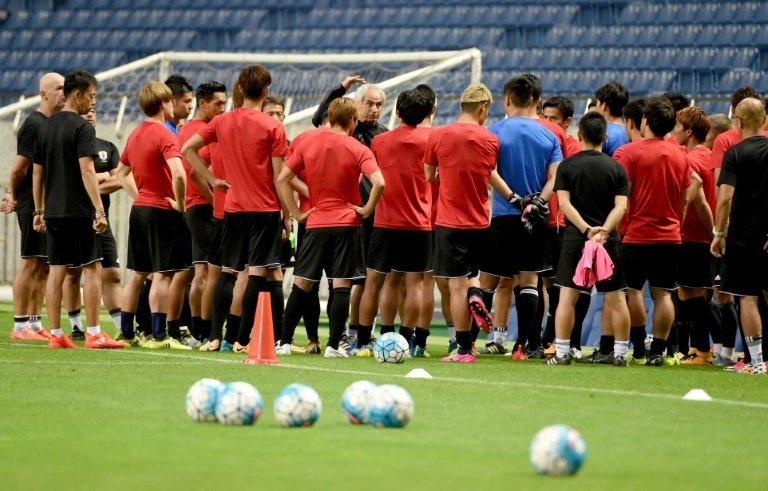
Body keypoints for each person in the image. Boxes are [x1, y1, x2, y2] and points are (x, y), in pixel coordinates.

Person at [182, 65, 290, 354]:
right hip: (264, 209)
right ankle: (241, 340)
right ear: (265, 91)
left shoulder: (222, 122)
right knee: (256, 274)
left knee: (227, 273)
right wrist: (288, 215)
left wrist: (212, 179)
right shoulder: (273, 126)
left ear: (240, 89)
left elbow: (187, 150)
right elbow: (281, 178)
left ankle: (215, 337)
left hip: (232, 209)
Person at [276, 97, 385, 358]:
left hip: (316, 222)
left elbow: (282, 179)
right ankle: (334, 346)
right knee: (341, 286)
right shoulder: (358, 148)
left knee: (301, 284)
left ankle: (284, 342)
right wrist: (367, 209)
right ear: (352, 121)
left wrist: (296, 213)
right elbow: (379, 183)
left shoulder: (308, 142)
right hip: (347, 223)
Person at [31, 69, 124, 349]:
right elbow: (87, 171)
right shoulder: (82, 128)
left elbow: (38, 174)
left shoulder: (45, 126)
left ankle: (56, 335)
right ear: (78, 94)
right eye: (91, 96)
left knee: (57, 270)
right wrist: (99, 210)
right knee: (92, 269)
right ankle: (95, 333)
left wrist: (39, 211)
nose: (92, 102)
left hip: (54, 212)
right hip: (80, 211)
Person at [424, 83, 517, 364]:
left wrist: (449, 178)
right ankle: (476, 296)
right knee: (473, 275)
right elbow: (489, 174)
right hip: (479, 221)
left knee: (455, 287)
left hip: (449, 221)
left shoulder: (439, 135)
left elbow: (429, 175)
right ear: (483, 108)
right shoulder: (490, 139)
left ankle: (463, 349)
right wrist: (514, 197)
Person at [478, 76, 562, 360]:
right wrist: (539, 200)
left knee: (487, 281)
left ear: (508, 100)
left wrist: (515, 198)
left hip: (503, 215)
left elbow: (488, 171)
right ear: (537, 102)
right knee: (529, 281)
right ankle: (523, 346)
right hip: (536, 219)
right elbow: (556, 176)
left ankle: (465, 345)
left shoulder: (494, 132)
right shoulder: (549, 135)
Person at [356, 88, 435, 358]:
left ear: (398, 112)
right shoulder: (433, 139)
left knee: (377, 282)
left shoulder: (380, 141)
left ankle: (365, 341)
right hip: (420, 223)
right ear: (427, 113)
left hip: (385, 221)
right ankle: (406, 342)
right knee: (415, 285)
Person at [311, 76, 388, 349]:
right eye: (369, 103)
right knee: (338, 278)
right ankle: (339, 332)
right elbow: (321, 116)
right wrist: (341, 88)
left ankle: (360, 333)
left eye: (379, 104)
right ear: (357, 104)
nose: (374, 109)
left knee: (366, 278)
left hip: (372, 216)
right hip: (341, 215)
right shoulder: (345, 129)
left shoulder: (384, 134)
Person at [548, 112, 630, 365]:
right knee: (616, 297)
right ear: (604, 137)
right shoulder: (616, 167)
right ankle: (620, 354)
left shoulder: (567, 166)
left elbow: (563, 204)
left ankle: (561, 353)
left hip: (576, 238)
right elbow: (621, 207)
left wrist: (586, 230)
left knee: (568, 297)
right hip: (608, 241)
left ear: (579, 135)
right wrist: (604, 230)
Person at [616, 97, 690, 366]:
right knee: (663, 293)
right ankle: (659, 352)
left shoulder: (630, 153)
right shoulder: (680, 154)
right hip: (670, 236)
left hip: (636, 234)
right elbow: (684, 196)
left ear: (645, 120)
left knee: (633, 291)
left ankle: (638, 348)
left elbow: (623, 197)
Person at [116, 81, 190, 349]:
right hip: (162, 210)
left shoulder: (135, 134)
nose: (174, 106)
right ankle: (159, 336)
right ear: (163, 104)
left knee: (137, 273)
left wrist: (140, 197)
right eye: (171, 101)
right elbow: (179, 174)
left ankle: (126, 332)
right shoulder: (165, 135)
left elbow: (121, 173)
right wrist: (180, 203)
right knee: (163, 274)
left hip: (140, 211)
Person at [711, 97, 768, 375]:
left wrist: (718, 233)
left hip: (744, 236)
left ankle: (756, 362)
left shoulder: (734, 153)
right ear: (765, 120)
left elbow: (724, 199)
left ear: (738, 121)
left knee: (747, 297)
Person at [5, 73, 63, 341]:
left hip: (46, 201)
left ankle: (34, 321)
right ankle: (19, 325)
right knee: (30, 261)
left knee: (44, 264)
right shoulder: (34, 125)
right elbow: (19, 169)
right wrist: (14, 196)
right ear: (44, 94)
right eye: (59, 88)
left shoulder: (52, 124)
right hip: (31, 201)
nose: (64, 93)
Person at [62, 107, 125, 340]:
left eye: (94, 111)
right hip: (75, 219)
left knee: (112, 273)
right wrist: (103, 177)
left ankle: (122, 328)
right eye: (85, 111)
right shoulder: (68, 146)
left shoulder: (108, 147)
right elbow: (70, 180)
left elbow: (120, 179)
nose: (90, 114)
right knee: (72, 273)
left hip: (101, 218)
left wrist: (89, 182)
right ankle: (77, 326)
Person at [177, 81, 227, 345]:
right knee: (209, 273)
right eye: (218, 103)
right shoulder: (204, 132)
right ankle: (206, 330)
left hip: (191, 205)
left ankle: (196, 328)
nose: (223, 107)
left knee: (199, 272)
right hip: (203, 206)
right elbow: (197, 173)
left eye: (224, 102)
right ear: (202, 102)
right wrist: (215, 199)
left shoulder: (185, 130)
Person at [671, 107, 719, 365]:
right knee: (690, 293)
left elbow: (695, 190)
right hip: (703, 237)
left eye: (678, 126)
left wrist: (679, 217)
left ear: (688, 131)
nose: (674, 131)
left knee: (692, 296)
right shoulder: (711, 156)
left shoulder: (691, 160)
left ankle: (703, 350)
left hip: (691, 235)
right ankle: (699, 349)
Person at [594, 82, 629, 157]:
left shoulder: (601, 133)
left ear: (604, 106)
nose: (595, 107)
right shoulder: (630, 132)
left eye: (597, 103)